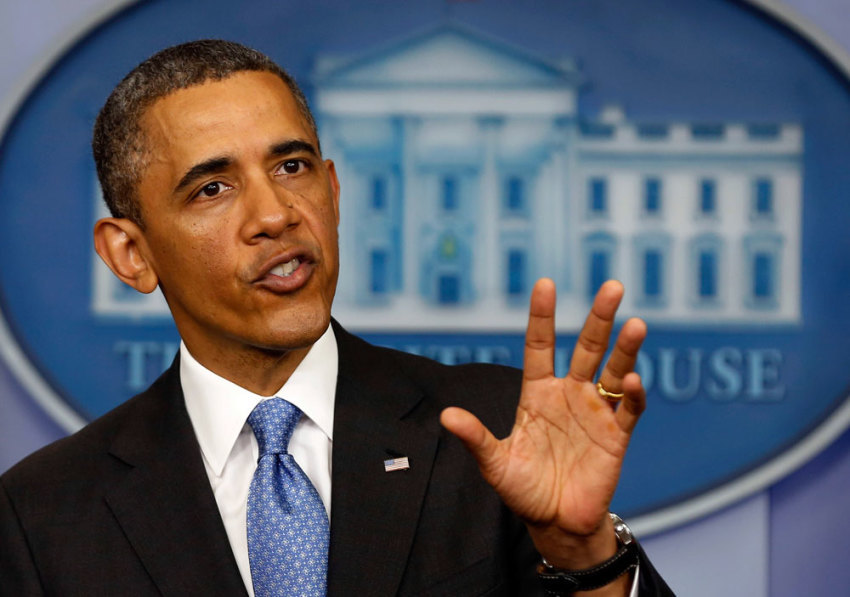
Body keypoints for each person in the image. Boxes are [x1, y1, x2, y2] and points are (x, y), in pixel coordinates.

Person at [0, 40, 673, 596]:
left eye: (291, 166)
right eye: (213, 187)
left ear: (334, 191)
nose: (275, 215)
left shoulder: (495, 428)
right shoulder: (43, 513)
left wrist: (587, 554)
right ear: (131, 253)